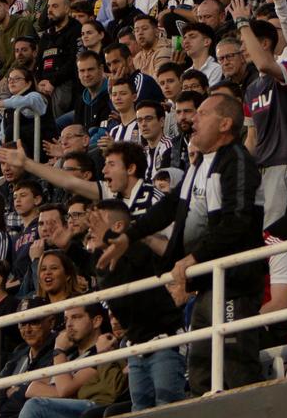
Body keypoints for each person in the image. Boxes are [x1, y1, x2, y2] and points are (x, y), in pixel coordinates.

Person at [101, 94, 262, 394]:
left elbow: (237, 222)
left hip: (234, 283)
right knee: (201, 367)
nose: (192, 119)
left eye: (202, 113)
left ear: (225, 123)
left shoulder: (238, 161)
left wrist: (194, 258)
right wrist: (128, 236)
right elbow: (169, 207)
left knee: (235, 363)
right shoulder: (201, 163)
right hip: (207, 284)